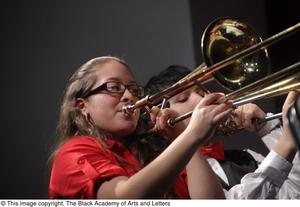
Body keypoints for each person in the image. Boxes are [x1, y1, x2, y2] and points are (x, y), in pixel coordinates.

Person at [48, 56, 234, 199]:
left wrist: (182, 136)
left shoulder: (152, 152)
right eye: (114, 87)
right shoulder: (74, 152)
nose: (129, 96)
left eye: (133, 89)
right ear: (83, 106)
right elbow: (125, 198)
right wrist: (192, 135)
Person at [142, 65, 300, 199]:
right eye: (183, 98)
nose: (201, 99)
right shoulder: (167, 179)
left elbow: (293, 193)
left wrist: (267, 128)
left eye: (201, 92)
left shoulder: (246, 156)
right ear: (159, 118)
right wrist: (287, 141)